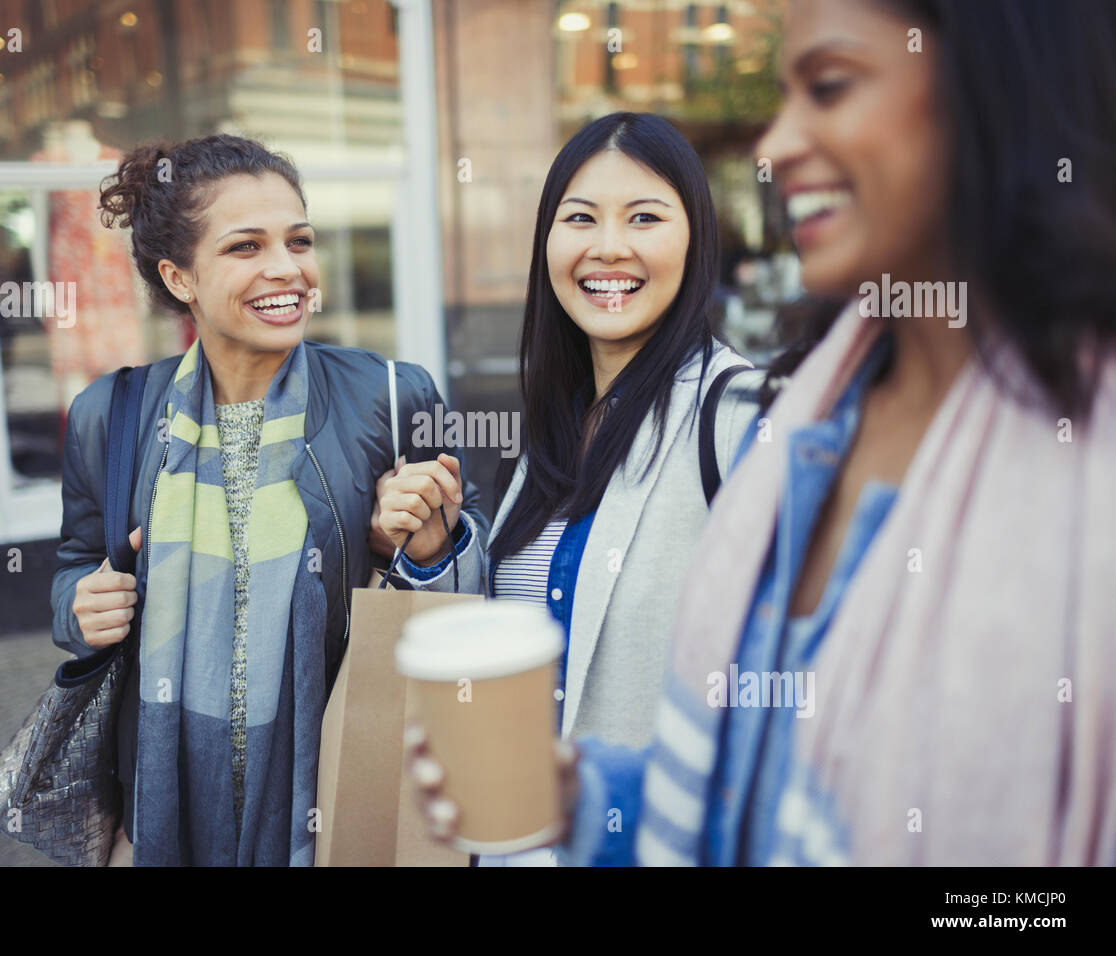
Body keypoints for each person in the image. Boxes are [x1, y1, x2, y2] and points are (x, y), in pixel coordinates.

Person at [413, 0, 1116, 865]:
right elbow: (760, 769)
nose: (775, 146)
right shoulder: (819, 408)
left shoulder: (752, 420)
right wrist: (587, 793)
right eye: (579, 217)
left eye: (828, 85)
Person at [50, 133, 487, 866]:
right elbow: (73, 566)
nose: (287, 269)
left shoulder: (392, 395)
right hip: (165, 801)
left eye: (299, 240)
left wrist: (422, 545)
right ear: (178, 276)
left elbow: (467, 596)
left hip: (345, 792)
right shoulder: (112, 413)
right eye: (245, 247)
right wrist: (78, 608)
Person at [376, 112, 761, 864]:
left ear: (696, 240)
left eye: (645, 217)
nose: (607, 247)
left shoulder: (740, 419)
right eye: (579, 218)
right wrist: (434, 548)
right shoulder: (547, 435)